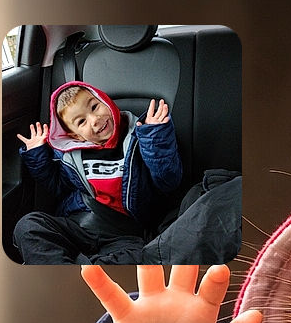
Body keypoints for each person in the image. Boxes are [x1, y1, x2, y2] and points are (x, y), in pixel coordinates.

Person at [13, 81, 182, 264]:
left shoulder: (140, 137)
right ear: (76, 135)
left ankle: (81, 271)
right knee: (28, 226)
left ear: (106, 101)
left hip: (123, 235)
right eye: (81, 121)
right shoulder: (72, 155)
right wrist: (38, 155)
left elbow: (169, 181)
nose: (94, 119)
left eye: (94, 106)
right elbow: (57, 186)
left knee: (133, 258)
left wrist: (155, 137)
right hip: (79, 225)